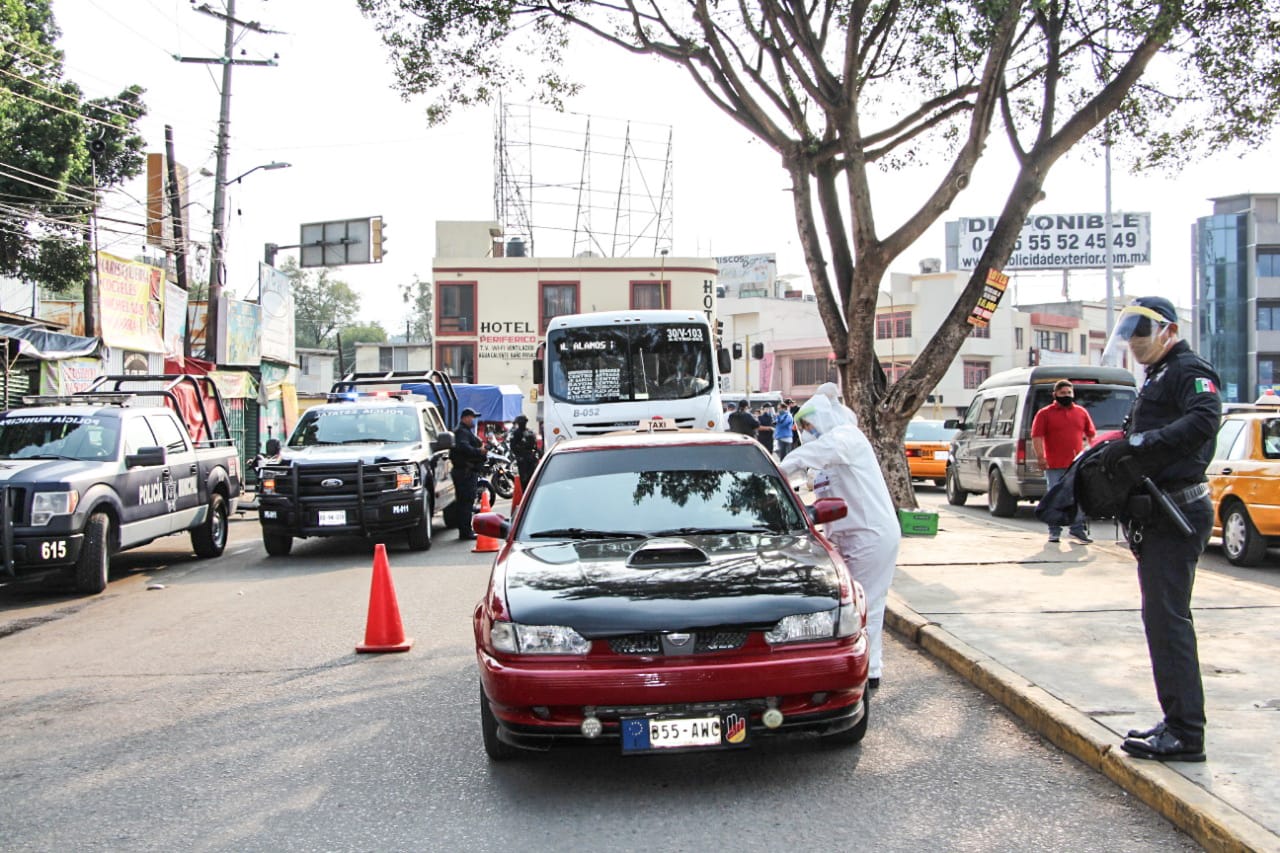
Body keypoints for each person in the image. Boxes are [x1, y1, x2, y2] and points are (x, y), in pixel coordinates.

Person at [1097, 296, 1221, 762]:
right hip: (1158, 513)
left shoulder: (1189, 370)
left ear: (1169, 330)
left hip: (1178, 510)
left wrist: (1146, 442)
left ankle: (1187, 733)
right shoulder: (1160, 374)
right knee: (1160, 621)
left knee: (1168, 623)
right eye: (1128, 333)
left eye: (1142, 332)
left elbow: (1206, 418)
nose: (1134, 342)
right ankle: (1175, 721)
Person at [778, 394, 900, 689]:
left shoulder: (847, 439)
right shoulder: (829, 456)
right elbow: (809, 482)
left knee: (866, 604)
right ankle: (858, 669)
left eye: (808, 424)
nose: (805, 431)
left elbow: (799, 460)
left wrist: (769, 473)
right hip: (847, 536)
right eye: (802, 426)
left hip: (870, 534)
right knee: (853, 607)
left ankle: (868, 673)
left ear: (824, 419)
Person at [1032, 379, 1096, 544]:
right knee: (1055, 497)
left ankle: (1077, 530)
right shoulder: (1044, 413)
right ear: (1055, 395)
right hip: (1054, 464)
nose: (1066, 396)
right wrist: (1041, 457)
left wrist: (1092, 453)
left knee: (1077, 497)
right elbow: (1037, 436)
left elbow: (1091, 435)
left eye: (1069, 393)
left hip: (1076, 464)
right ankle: (1054, 531)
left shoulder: (1081, 412)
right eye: (1062, 393)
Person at [450, 407, 488, 540]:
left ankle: (465, 530)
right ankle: (465, 531)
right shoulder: (462, 432)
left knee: (466, 501)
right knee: (465, 502)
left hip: (467, 472)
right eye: (472, 417)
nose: (473, 420)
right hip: (465, 472)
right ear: (465, 418)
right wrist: (479, 452)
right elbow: (464, 447)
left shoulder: (465, 431)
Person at [508, 413, 539, 490]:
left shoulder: (529, 432)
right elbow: (513, 447)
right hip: (523, 459)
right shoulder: (516, 433)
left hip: (530, 458)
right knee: (524, 479)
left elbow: (534, 445)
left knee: (532, 478)